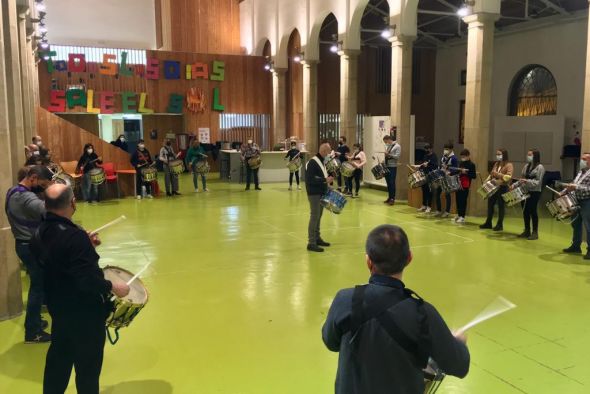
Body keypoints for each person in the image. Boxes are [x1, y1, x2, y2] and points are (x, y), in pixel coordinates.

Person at [322, 225, 470, 393]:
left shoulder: (345, 300)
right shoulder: (423, 314)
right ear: (409, 258)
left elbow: (331, 342)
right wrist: (458, 343)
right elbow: (459, 365)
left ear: (368, 261)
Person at [30, 184, 130, 394]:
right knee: (87, 371)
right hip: (84, 316)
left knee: (58, 363)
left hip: (59, 311)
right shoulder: (74, 237)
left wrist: (85, 247)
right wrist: (113, 286)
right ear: (72, 203)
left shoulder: (39, 233)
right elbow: (87, 281)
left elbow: (58, 261)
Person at [5, 165, 54, 343]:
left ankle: (35, 322)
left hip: (26, 244)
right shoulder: (24, 196)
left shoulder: (12, 191)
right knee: (37, 288)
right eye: (42, 183)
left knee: (38, 285)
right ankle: (33, 332)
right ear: (32, 177)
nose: (43, 186)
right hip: (30, 247)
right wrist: (54, 192)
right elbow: (46, 209)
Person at [305, 142, 334, 252]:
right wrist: (324, 180)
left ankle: (317, 238)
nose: (329, 154)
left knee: (319, 216)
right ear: (323, 151)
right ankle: (311, 242)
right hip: (314, 193)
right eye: (329, 151)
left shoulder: (322, 161)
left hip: (321, 192)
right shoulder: (313, 162)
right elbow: (310, 179)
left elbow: (322, 176)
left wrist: (328, 185)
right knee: (314, 216)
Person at [563, 152, 590, 259]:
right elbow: (573, 183)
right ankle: (576, 246)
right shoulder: (581, 172)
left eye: (584, 159)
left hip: (587, 201)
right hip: (577, 200)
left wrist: (576, 188)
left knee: (588, 227)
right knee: (575, 223)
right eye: (581, 159)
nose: (582, 161)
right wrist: (564, 191)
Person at [480, 149, 513, 231]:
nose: (497, 156)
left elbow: (508, 177)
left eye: (499, 154)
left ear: (504, 155)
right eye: (497, 154)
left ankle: (499, 224)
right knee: (490, 204)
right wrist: (486, 180)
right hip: (493, 186)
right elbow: (492, 174)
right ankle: (488, 222)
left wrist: (498, 175)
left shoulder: (509, 165)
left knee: (501, 206)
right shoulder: (496, 164)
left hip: (502, 187)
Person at [517, 149, 545, 240]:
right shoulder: (526, 166)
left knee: (532, 211)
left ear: (535, 156)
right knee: (525, 211)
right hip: (525, 191)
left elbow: (538, 182)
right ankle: (527, 230)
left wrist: (527, 181)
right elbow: (521, 178)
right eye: (527, 154)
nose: (528, 156)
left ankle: (535, 232)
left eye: (530, 155)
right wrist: (514, 185)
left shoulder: (540, 167)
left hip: (535, 192)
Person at [435, 143, 459, 218]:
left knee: (447, 195)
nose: (445, 150)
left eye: (447, 149)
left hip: (448, 179)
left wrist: (449, 172)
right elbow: (440, 165)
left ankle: (447, 211)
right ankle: (438, 210)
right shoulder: (443, 157)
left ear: (451, 149)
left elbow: (456, 170)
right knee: (437, 193)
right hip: (441, 177)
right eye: (445, 149)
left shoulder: (454, 158)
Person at [454, 149, 477, 224]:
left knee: (463, 201)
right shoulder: (461, 163)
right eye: (461, 156)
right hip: (458, 183)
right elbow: (457, 171)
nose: (462, 158)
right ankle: (458, 214)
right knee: (457, 199)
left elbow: (474, 176)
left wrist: (465, 173)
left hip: (465, 185)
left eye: (464, 156)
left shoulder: (471, 165)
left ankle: (462, 217)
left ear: (468, 156)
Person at [415, 143, 438, 213]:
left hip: (430, 175)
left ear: (431, 149)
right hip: (424, 175)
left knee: (429, 191)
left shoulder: (434, 156)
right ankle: (424, 205)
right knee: (424, 190)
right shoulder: (425, 156)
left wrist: (428, 165)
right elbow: (423, 164)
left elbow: (435, 166)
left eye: (427, 149)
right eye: (425, 149)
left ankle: (429, 206)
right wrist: (419, 166)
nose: (426, 150)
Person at [383, 135, 400, 206]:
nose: (386, 143)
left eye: (386, 141)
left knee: (392, 182)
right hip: (387, 166)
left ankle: (393, 199)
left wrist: (389, 155)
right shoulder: (389, 146)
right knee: (388, 183)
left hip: (392, 166)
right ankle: (389, 197)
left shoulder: (397, 146)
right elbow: (386, 155)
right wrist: (383, 161)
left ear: (389, 139)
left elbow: (397, 156)